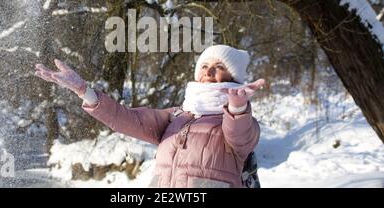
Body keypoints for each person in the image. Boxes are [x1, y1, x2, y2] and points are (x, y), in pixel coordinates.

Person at [35, 44, 264, 188]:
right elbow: (125, 119)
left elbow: (241, 136)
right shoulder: (176, 117)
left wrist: (237, 107)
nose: (209, 70)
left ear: (233, 76)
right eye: (204, 65)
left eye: (219, 66)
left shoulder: (237, 120)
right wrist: (83, 90)